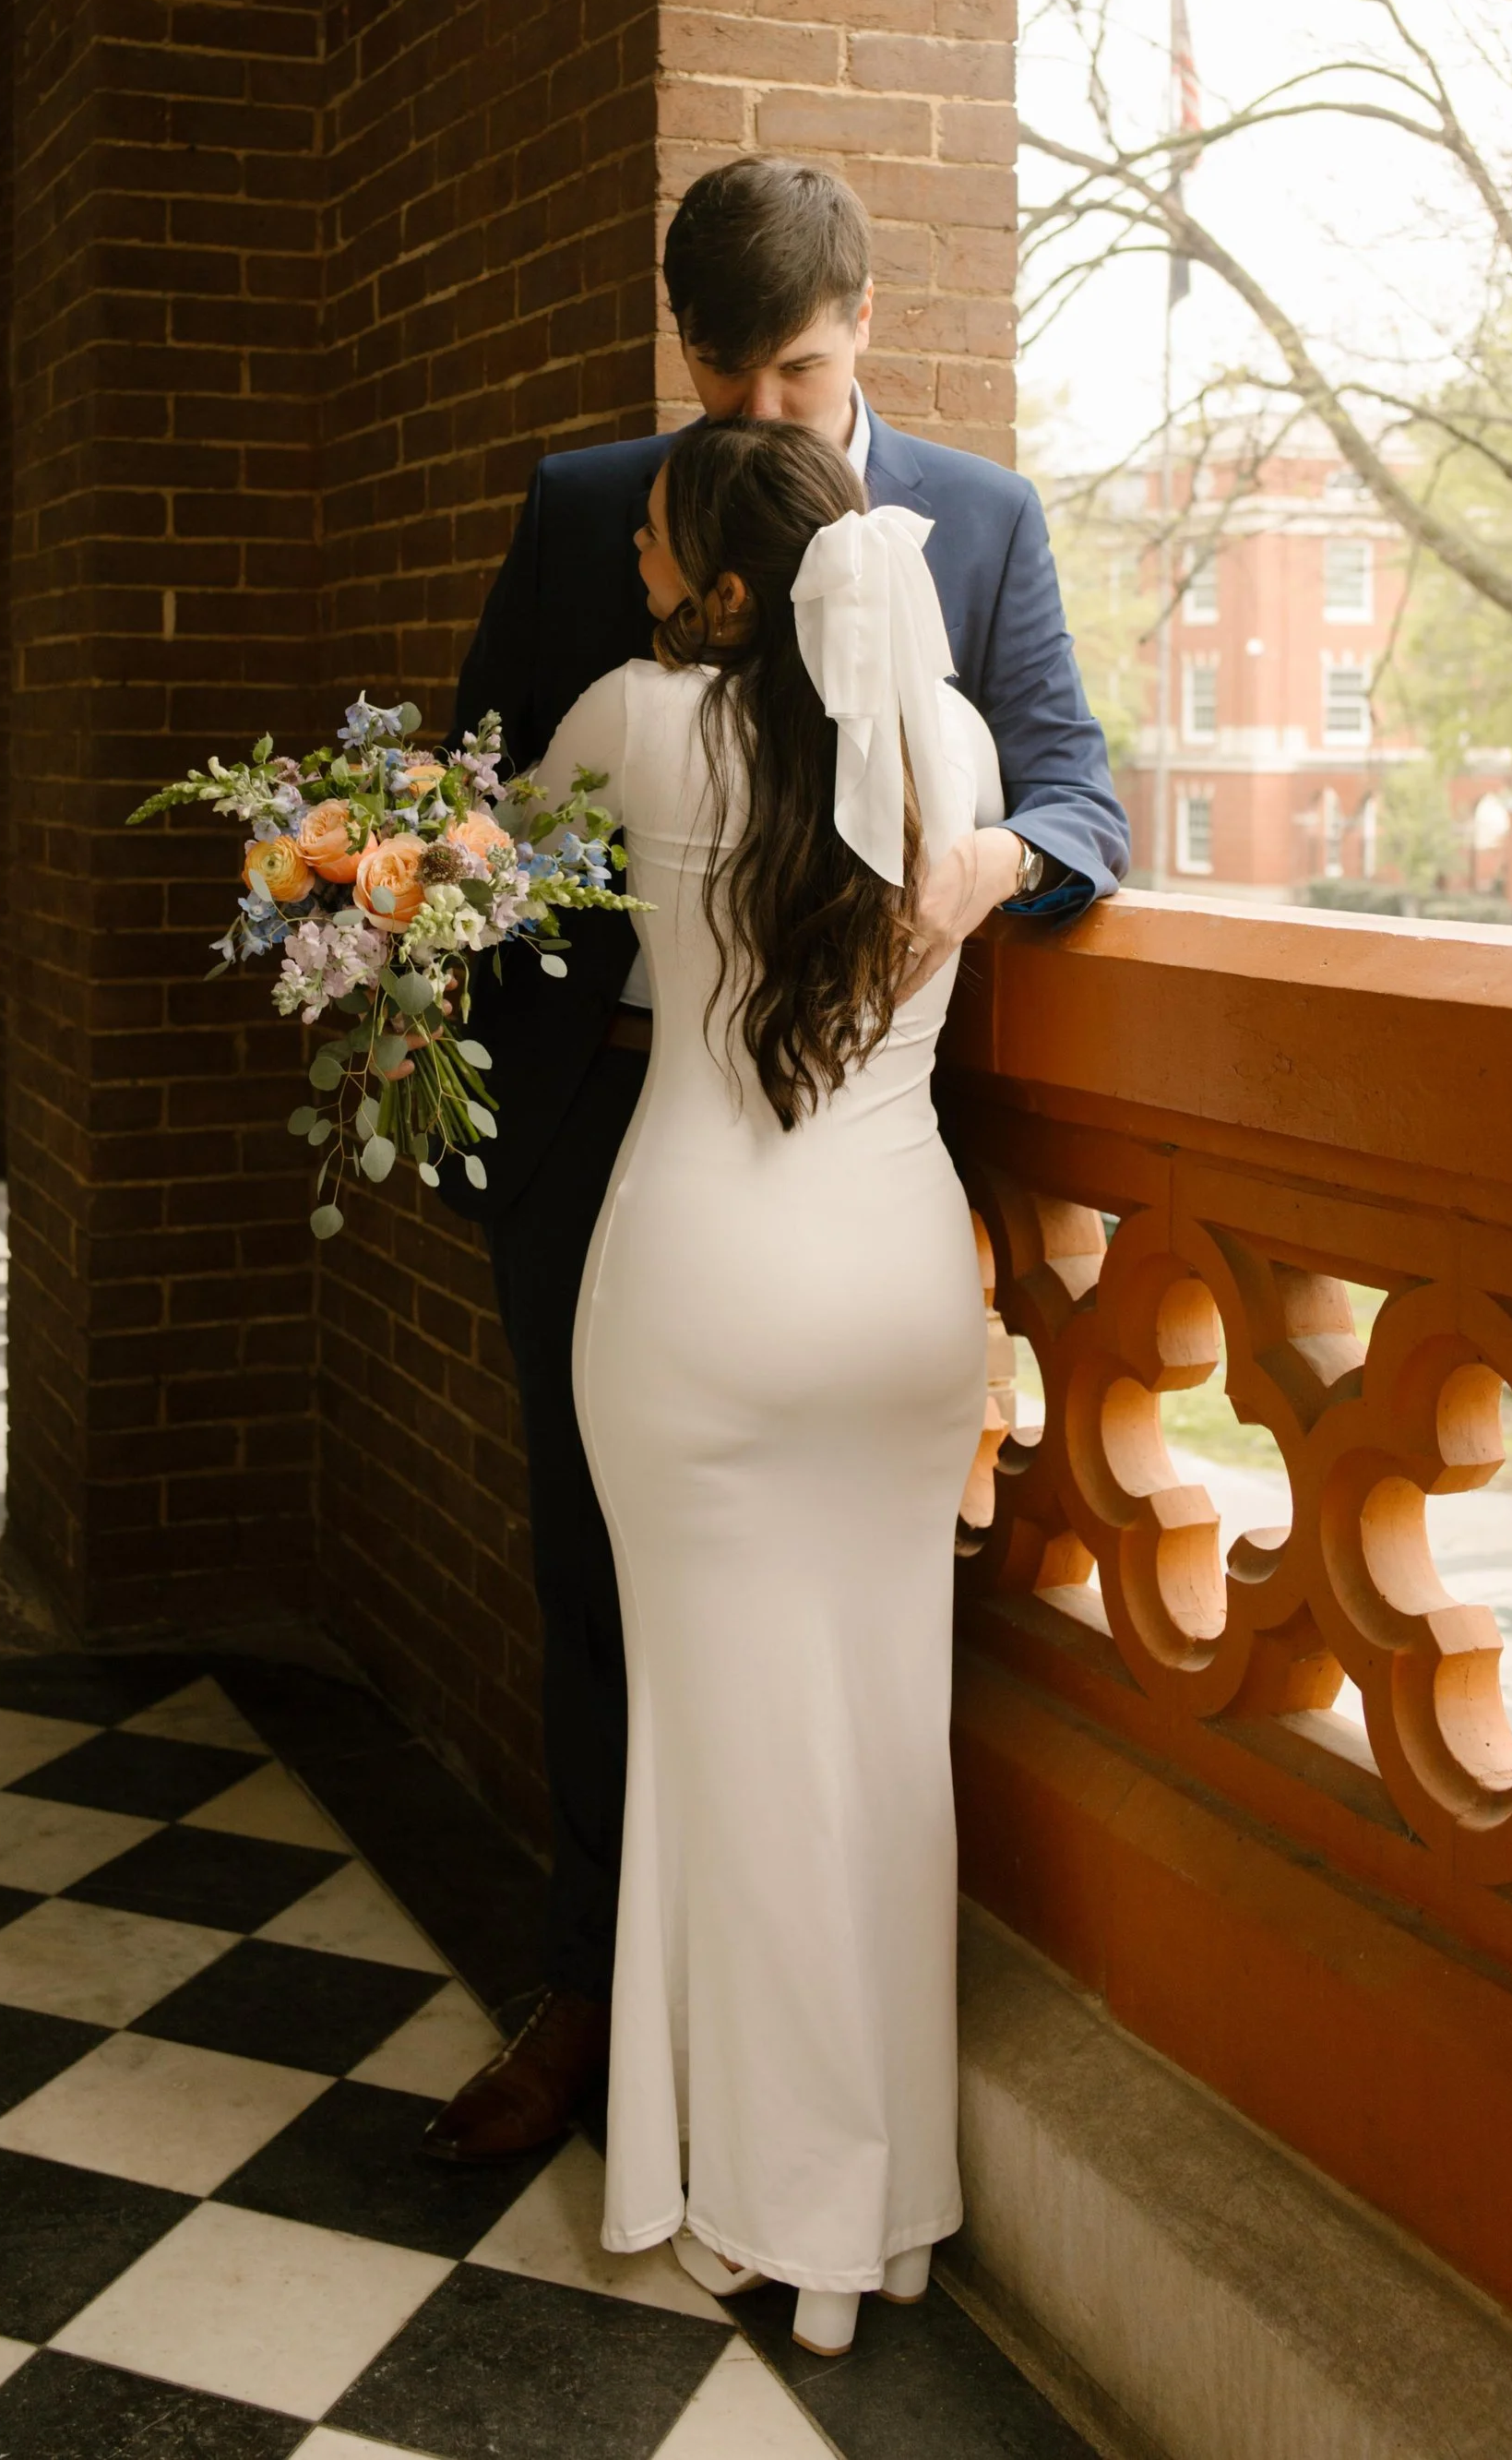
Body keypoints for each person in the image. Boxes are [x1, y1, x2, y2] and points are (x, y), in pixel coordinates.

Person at [426, 159, 1126, 2166]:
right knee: (590, 1586)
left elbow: (1073, 780)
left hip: (845, 1169)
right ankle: (592, 1993)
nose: (750, 421)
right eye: (717, 379)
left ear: (865, 328)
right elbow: (474, 805)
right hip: (603, 1148)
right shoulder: (588, 511)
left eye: (793, 375)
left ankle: (787, 2070)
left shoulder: (976, 527)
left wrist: (1005, 858)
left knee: (837, 1633)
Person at [541, 416, 1031, 2349]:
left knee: (723, 1756)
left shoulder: (627, 726)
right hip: (900, 1302)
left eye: (654, 550)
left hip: (700, 1302)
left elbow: (503, 897)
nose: (635, 575)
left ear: (725, 587)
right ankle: (877, 2211)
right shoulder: (957, 750)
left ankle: (753, 2202)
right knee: (878, 1755)